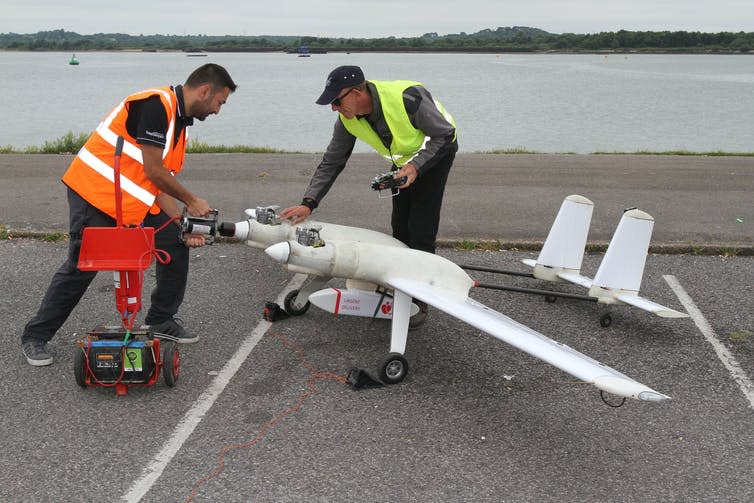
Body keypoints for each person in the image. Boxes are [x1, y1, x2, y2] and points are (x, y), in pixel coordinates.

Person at [21, 63, 237, 366]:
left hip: (132, 202)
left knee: (175, 244)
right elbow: (153, 170)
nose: (218, 110)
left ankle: (160, 320)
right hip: (95, 196)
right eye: (220, 102)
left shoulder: (179, 123)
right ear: (204, 91)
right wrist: (192, 200)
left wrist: (180, 223)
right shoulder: (154, 105)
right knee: (81, 266)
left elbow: (157, 183)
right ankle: (35, 336)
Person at [280, 65, 457, 328]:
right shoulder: (347, 120)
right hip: (404, 160)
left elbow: (444, 134)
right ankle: (400, 286)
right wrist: (309, 203)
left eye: (337, 101)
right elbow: (332, 161)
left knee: (421, 229)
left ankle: (420, 303)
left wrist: (416, 167)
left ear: (356, 92)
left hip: (437, 151)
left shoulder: (407, 97)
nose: (334, 108)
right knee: (400, 227)